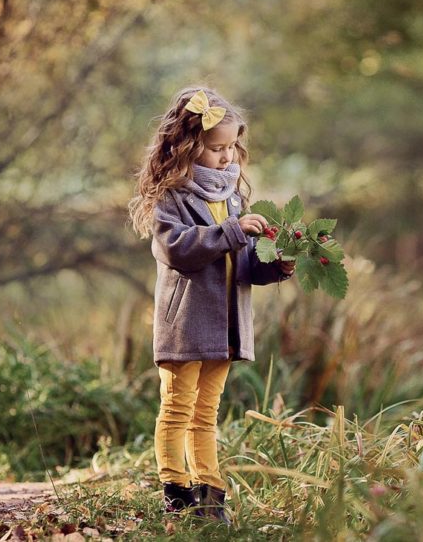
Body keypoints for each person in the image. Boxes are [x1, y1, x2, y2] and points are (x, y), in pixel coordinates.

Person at [128, 86, 295, 524]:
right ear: (186, 146)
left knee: (207, 411)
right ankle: (175, 488)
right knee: (178, 406)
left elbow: (242, 267)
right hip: (185, 324)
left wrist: (278, 266)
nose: (226, 158)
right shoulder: (173, 197)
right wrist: (234, 231)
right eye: (216, 148)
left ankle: (210, 492)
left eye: (231, 147)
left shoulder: (232, 197)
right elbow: (177, 249)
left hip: (225, 326)